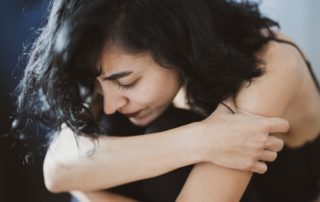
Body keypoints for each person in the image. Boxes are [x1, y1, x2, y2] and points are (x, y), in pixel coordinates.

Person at [12, 0, 319, 201]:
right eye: (99, 87)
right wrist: (202, 139)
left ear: (174, 43)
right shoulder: (109, 67)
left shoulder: (272, 64)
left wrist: (88, 186)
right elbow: (57, 167)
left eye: (128, 82)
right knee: (109, 129)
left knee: (148, 135)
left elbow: (70, 173)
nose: (110, 103)